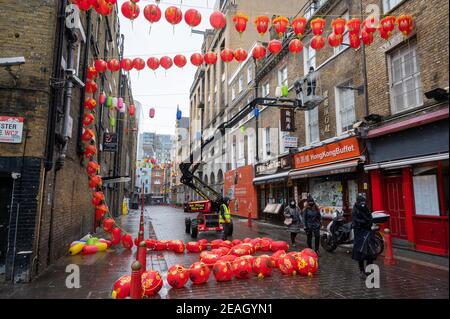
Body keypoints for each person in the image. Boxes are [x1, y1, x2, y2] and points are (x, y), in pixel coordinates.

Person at [352, 193, 376, 279]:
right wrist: (365, 222)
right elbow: (356, 221)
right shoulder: (355, 210)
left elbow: (370, 218)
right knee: (360, 252)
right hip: (359, 234)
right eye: (361, 202)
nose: (363, 204)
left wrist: (368, 222)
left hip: (368, 233)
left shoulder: (366, 208)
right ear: (357, 202)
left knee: (371, 253)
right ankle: (361, 271)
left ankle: (369, 270)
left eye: (364, 202)